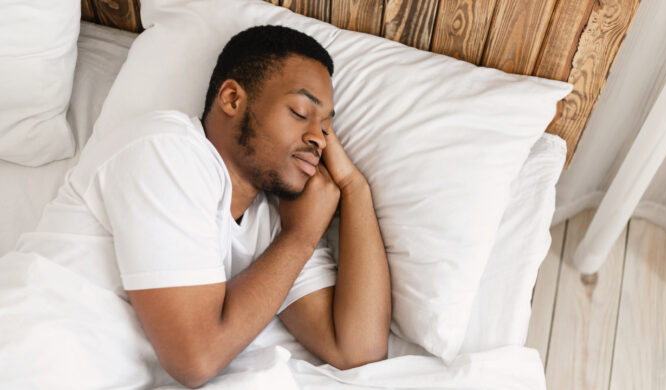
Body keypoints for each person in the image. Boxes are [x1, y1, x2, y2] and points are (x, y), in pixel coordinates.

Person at [10, 25, 391, 388]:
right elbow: (196, 359)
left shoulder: (276, 222)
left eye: (326, 127)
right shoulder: (166, 149)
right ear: (232, 99)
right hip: (26, 356)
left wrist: (354, 188)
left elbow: (357, 349)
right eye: (299, 113)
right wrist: (302, 237)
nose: (318, 139)